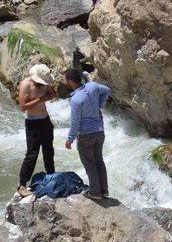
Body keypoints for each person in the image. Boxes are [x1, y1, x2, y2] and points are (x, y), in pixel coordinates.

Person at [64, 68, 111, 200]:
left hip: (86, 135)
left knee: (90, 163)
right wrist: (100, 106)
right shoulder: (93, 86)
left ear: (71, 81)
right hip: (99, 132)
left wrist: (70, 139)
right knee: (99, 160)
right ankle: (104, 190)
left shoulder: (75, 100)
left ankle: (95, 192)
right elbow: (107, 90)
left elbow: (75, 123)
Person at [17, 64, 58, 197]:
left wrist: (51, 94)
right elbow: (23, 106)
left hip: (45, 120)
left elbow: (53, 95)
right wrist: (41, 99)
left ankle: (51, 176)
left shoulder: (46, 83)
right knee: (32, 154)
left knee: (48, 150)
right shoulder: (26, 85)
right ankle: (22, 185)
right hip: (32, 122)